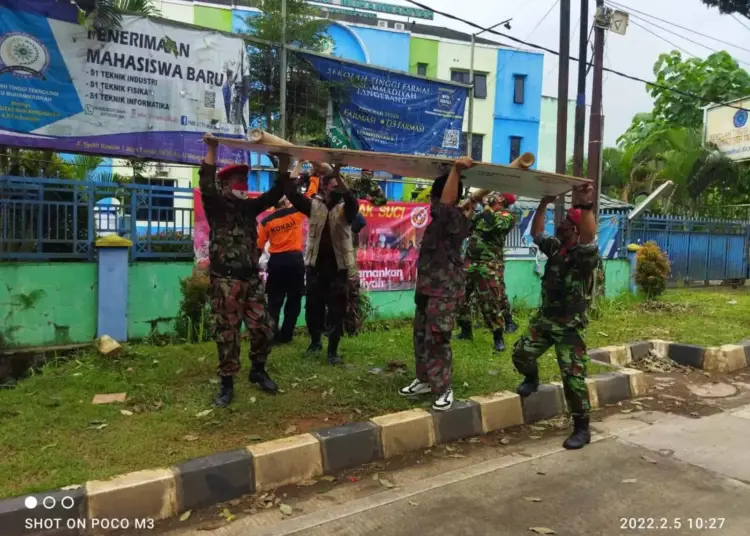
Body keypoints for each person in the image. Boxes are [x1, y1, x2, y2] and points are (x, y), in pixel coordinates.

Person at [199, 133, 290, 408]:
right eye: (238, 182)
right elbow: (205, 182)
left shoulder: (249, 209)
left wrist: (285, 163)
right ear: (225, 185)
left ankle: (258, 371)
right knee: (227, 333)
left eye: (245, 182)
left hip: (251, 280)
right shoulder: (217, 207)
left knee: (263, 327)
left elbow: (276, 192)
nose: (243, 186)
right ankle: (226, 385)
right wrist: (212, 149)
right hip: (225, 281)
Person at [512, 184, 599, 450]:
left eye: (564, 222)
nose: (559, 225)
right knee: (521, 354)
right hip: (546, 320)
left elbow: (589, 235)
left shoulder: (583, 256)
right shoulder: (556, 248)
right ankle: (532, 379)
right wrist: (543, 203)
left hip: (569, 327)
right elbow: (538, 232)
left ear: (574, 229)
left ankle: (582, 429)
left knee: (572, 378)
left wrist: (584, 205)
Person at [399, 157, 477, 412]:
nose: (433, 203)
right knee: (420, 336)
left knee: (437, 339)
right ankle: (424, 379)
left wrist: (455, 170)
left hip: (444, 292)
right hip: (426, 288)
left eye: (436, 197)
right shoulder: (441, 219)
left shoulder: (452, 217)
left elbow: (445, 205)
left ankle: (443, 388)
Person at [284, 165, 359, 365]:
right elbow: (291, 192)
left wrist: (338, 176)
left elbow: (352, 199)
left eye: (338, 185)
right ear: (324, 187)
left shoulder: (346, 208)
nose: (336, 189)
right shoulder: (313, 206)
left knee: (337, 310)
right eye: (333, 185)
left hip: (338, 268)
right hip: (315, 267)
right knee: (313, 308)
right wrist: (301, 169)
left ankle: (332, 351)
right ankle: (315, 342)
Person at [456, 192, 517, 352]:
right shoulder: (483, 214)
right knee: (461, 297)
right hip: (470, 261)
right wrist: (471, 208)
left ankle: (498, 337)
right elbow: (467, 228)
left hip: (488, 265)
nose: (490, 195)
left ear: (502, 199)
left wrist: (485, 206)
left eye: (495, 194)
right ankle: (465, 330)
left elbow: (498, 224)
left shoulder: (507, 215)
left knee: (490, 301)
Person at [256, 195, 306, 344]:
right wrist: (315, 178)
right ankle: (287, 335)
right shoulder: (296, 213)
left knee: (274, 301)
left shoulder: (266, 222)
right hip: (295, 261)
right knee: (294, 299)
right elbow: (309, 196)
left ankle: (273, 336)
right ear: (285, 202)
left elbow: (259, 246)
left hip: (276, 262)